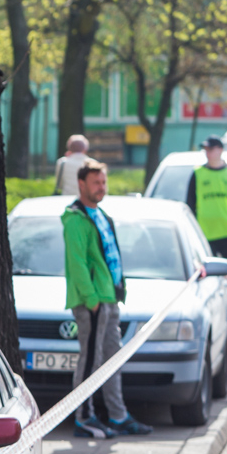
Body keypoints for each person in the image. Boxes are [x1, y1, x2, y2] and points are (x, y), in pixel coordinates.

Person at [63, 160, 153, 439]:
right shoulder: (76, 218)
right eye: (95, 183)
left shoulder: (101, 214)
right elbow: (77, 262)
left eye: (104, 182)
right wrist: (91, 299)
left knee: (113, 360)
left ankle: (118, 416)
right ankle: (84, 417)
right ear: (81, 185)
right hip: (93, 302)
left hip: (109, 298)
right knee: (90, 361)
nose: (101, 188)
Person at [184, 135, 227, 335]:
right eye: (205, 149)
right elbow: (190, 204)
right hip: (206, 235)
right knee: (205, 278)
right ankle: (208, 318)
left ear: (220, 150)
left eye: (210, 149)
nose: (207, 152)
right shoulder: (198, 173)